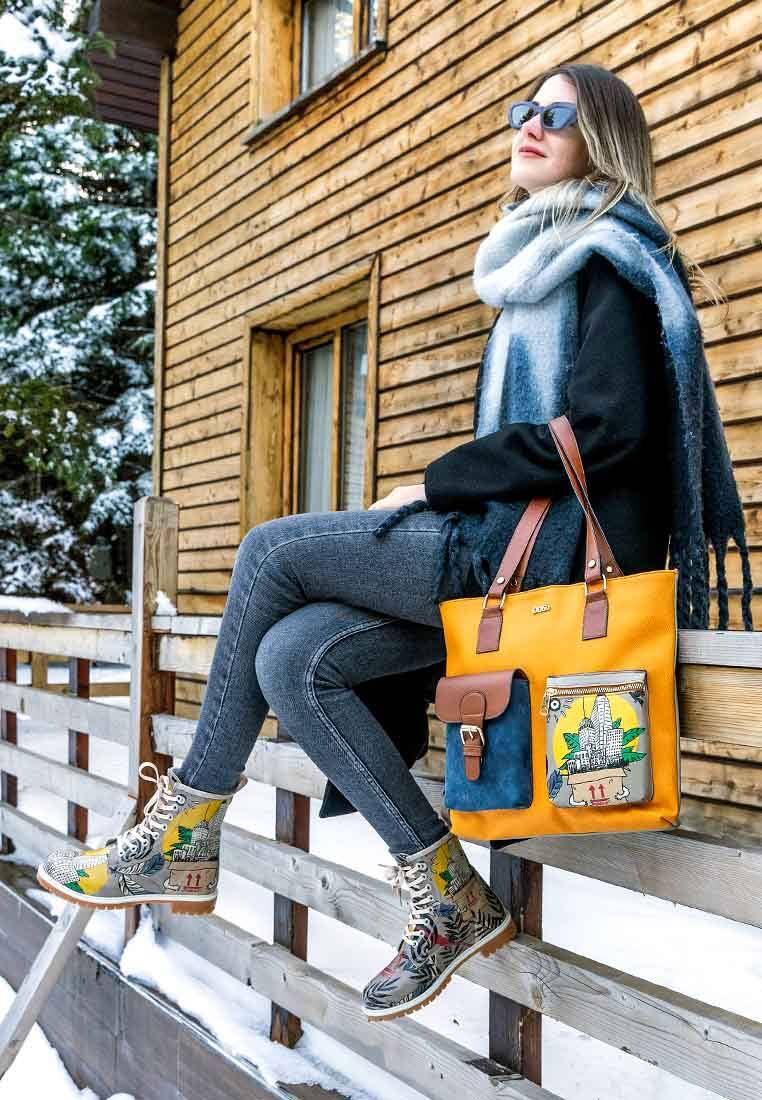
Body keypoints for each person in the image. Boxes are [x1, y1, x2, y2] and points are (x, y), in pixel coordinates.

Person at [36, 62, 753, 1025]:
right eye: (522, 110)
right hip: (506, 561)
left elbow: (607, 431)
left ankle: (180, 830)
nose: (529, 125)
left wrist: (443, 480)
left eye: (557, 114)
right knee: (294, 657)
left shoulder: (609, 263)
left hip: (535, 566)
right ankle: (448, 895)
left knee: (270, 552)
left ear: (603, 139)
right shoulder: (542, 269)